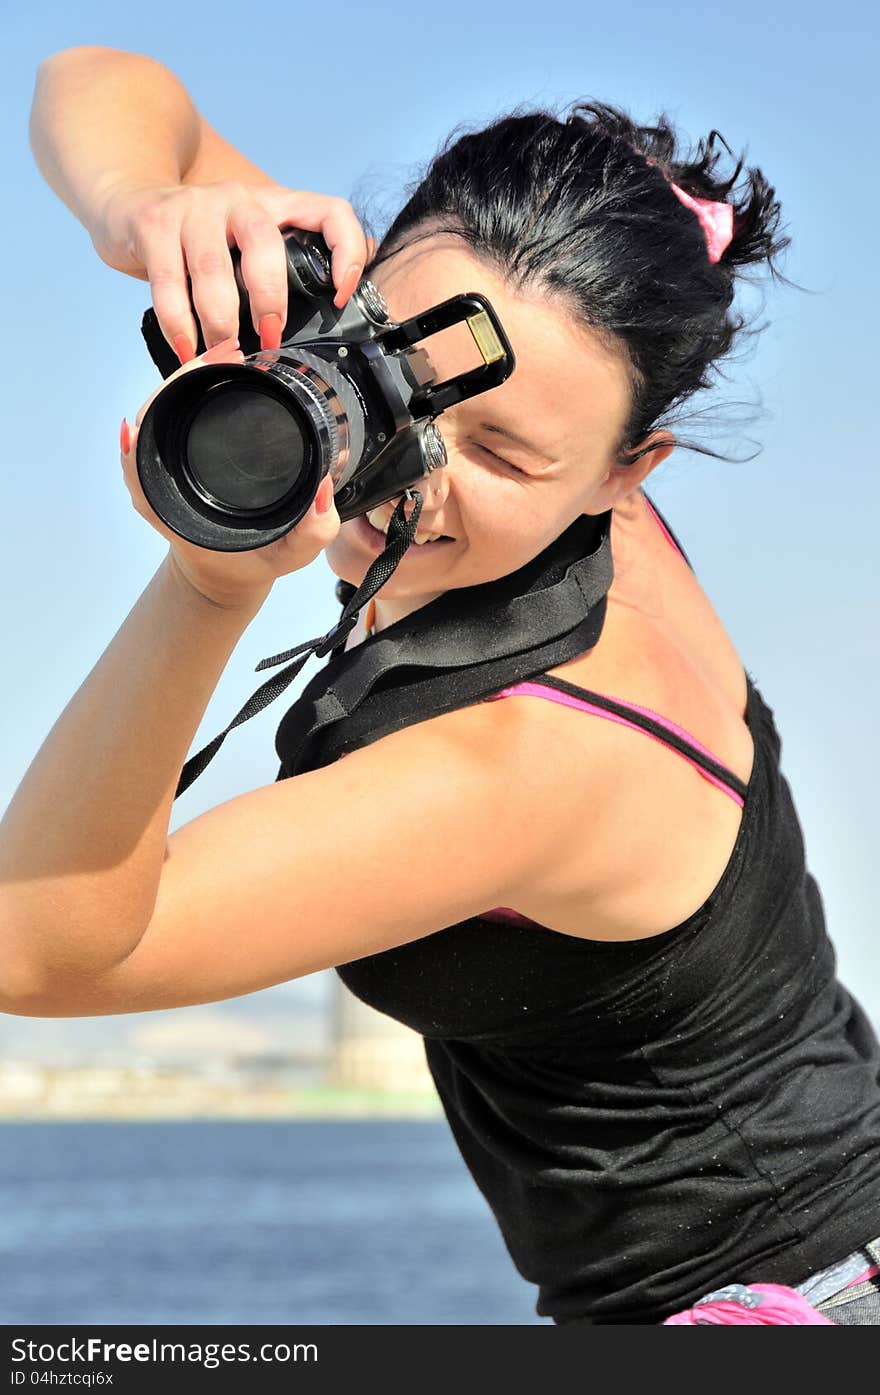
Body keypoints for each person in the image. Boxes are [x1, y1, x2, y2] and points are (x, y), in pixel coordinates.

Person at [6, 44, 879, 1325]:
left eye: (502, 454)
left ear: (628, 473)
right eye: (391, 373)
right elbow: (94, 75)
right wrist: (147, 212)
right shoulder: (576, 496)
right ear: (352, 298)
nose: (412, 462)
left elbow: (38, 947)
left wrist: (209, 588)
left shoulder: (529, 760)